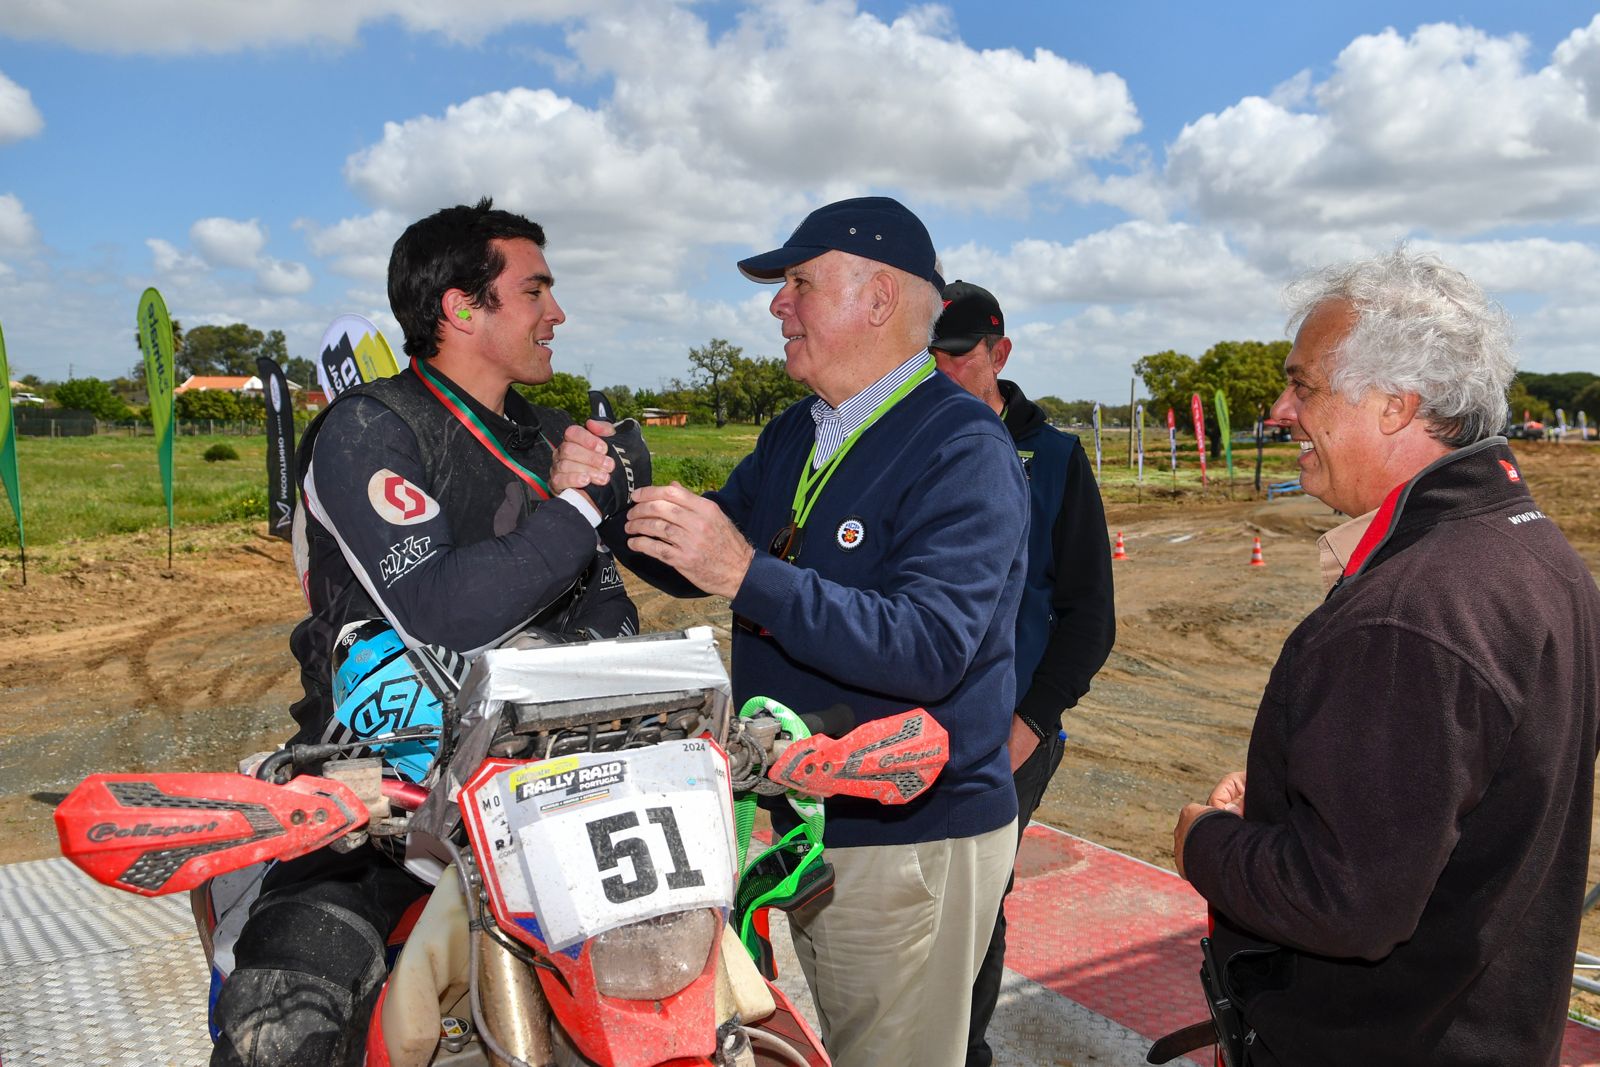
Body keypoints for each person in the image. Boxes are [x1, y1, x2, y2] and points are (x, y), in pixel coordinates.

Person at [554, 196, 1028, 1067]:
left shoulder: (961, 445)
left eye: (800, 283)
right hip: (817, 819)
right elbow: (712, 553)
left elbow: (928, 647)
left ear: (880, 300)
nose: (779, 305)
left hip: (913, 834)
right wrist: (611, 504)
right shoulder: (799, 432)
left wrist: (745, 572)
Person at [211, 198, 645, 1067]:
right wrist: (576, 508)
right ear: (460, 307)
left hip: (547, 790)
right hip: (376, 796)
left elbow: (611, 614)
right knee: (281, 1018)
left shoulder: (553, 434)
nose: (556, 313)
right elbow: (444, 606)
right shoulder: (370, 426)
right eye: (535, 291)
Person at [1172, 249, 1600, 1066]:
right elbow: (1475, 789)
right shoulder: (1542, 556)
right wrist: (1309, 792)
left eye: (1304, 385)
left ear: (1397, 406)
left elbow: (1345, 901)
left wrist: (1203, 839)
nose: (1280, 409)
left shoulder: (1412, 611)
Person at [928, 280, 1116, 1067]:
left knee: (973, 903)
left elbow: (1090, 616)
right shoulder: (912, 442)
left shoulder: (1057, 458)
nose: (942, 374)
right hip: (918, 726)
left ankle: (964, 1051)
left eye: (960, 358)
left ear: (1000, 353)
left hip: (1011, 732)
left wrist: (1029, 723)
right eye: (929, 357)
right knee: (913, 902)